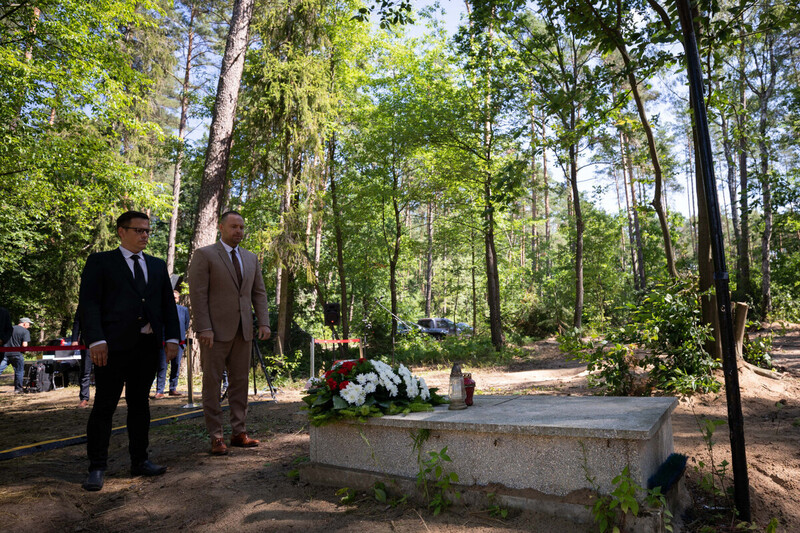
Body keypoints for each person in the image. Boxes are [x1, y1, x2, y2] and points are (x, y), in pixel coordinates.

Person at [78, 211, 180, 491]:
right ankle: (97, 467)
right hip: (110, 349)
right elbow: (89, 304)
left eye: (147, 230)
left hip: (146, 348)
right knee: (104, 407)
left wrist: (172, 337)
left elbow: (167, 307)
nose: (145, 235)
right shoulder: (101, 262)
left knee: (140, 405)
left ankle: (140, 460)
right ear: (121, 232)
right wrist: (96, 340)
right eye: (138, 230)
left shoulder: (157, 266)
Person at [188, 210, 270, 456]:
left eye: (242, 227)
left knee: (240, 383)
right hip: (213, 332)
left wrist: (263, 323)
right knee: (212, 384)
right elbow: (198, 295)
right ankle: (216, 436)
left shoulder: (250, 258)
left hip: (243, 331)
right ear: (221, 228)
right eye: (234, 227)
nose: (239, 231)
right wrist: (204, 327)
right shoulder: (205, 255)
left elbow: (259, 293)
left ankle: (239, 432)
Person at [153, 290, 190, 398]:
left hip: (179, 343)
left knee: (176, 365)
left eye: (175, 298)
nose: (174, 299)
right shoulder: (162, 310)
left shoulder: (184, 310)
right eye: (172, 297)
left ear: (178, 299)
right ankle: (160, 390)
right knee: (162, 366)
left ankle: (173, 388)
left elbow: (186, 325)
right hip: (164, 343)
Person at [1, 317, 32, 393]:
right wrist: (24, 352)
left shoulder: (9, 329)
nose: (29, 326)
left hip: (5, 354)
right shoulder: (25, 331)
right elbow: (24, 345)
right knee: (19, 371)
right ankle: (18, 389)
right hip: (17, 354)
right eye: (29, 324)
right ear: (25, 323)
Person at [70, 308, 92, 408]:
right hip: (86, 341)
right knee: (85, 371)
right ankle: (84, 398)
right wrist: (74, 338)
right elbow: (77, 321)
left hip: (105, 340)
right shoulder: (85, 302)